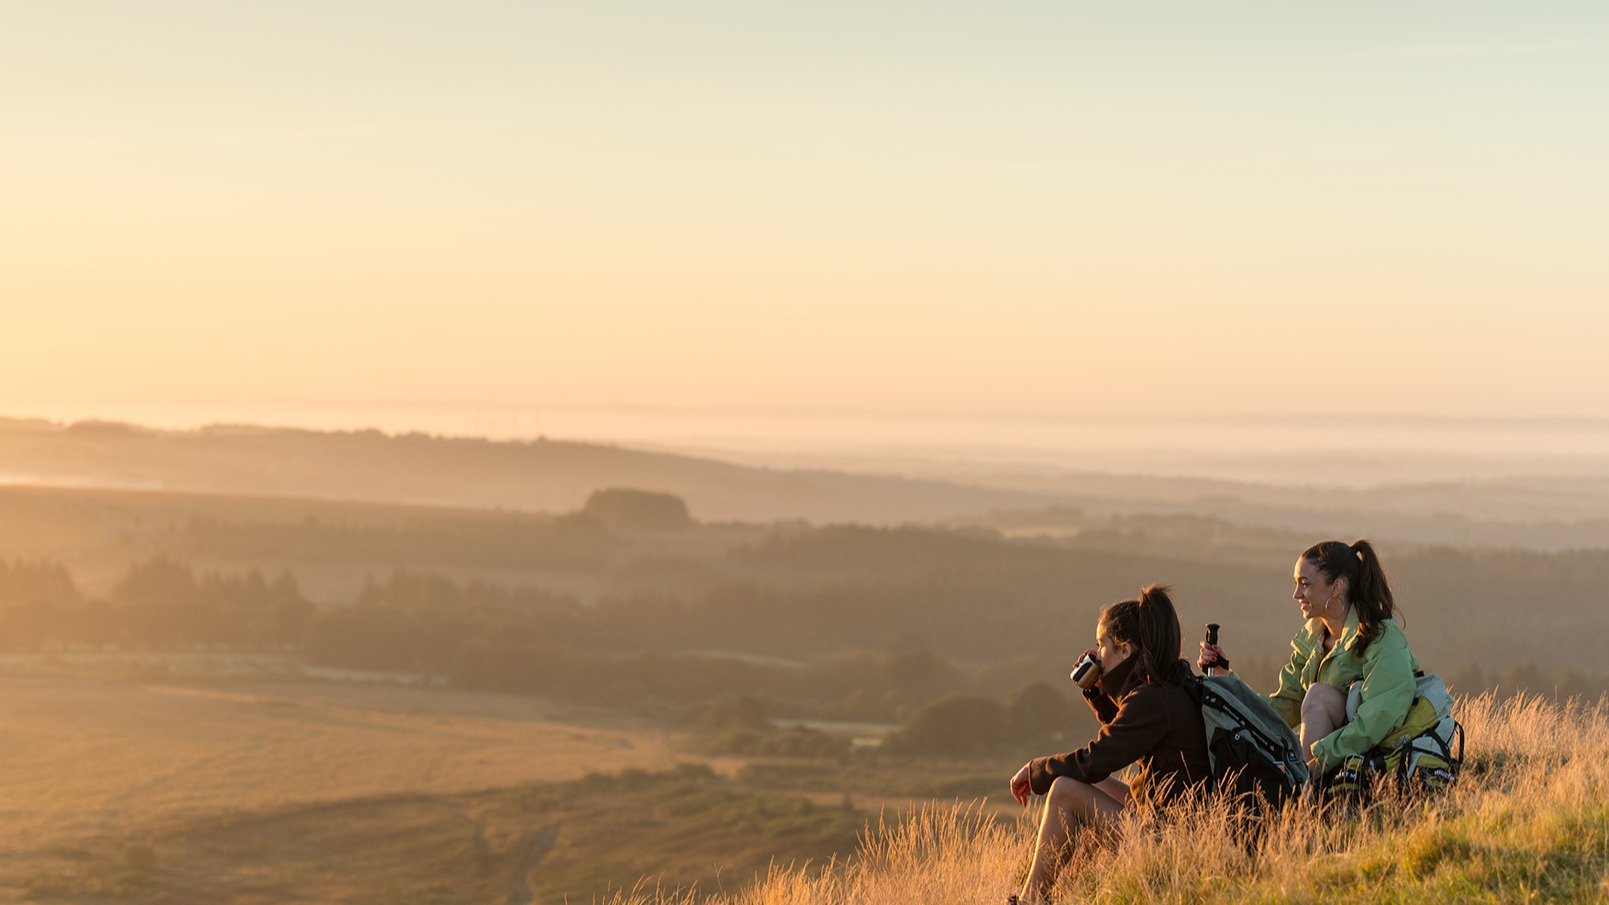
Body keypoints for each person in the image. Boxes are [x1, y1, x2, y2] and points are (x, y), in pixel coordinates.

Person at [1007, 585, 1209, 904]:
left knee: (1064, 790)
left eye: (1102, 646)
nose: (1098, 656)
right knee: (1090, 783)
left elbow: (1096, 758)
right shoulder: (1170, 685)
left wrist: (1035, 772)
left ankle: (1031, 899)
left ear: (1125, 651)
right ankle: (1075, 892)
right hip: (1176, 827)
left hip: (1170, 846)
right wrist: (1098, 691)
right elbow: (1126, 734)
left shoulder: (1151, 699)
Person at [1198, 539, 1419, 776]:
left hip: (1376, 752)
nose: (1296, 594)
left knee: (1317, 697)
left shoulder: (1382, 638)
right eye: (1296, 584)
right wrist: (1227, 678)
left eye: (1304, 584)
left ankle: (1301, 793)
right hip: (1332, 752)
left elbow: (1375, 723)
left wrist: (1312, 765)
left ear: (1336, 587)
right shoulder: (1312, 639)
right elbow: (1281, 709)